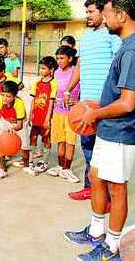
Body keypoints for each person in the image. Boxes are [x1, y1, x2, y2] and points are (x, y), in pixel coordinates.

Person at [64, 0, 135, 261]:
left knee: (117, 187)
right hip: (109, 127)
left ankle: (111, 248)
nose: (104, 17)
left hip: (122, 130)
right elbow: (117, 93)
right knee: (96, 177)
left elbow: (127, 103)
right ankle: (96, 231)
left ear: (121, 15)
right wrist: (95, 104)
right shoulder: (127, 44)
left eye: (107, 12)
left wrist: (95, 113)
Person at [64, 0, 122, 201]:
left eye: (91, 12)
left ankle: (107, 195)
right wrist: (69, 89)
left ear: (102, 13)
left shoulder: (112, 36)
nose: (87, 16)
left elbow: (119, 66)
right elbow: (79, 67)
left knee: (105, 152)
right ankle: (90, 188)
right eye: (86, 12)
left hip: (105, 105)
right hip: (84, 103)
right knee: (87, 147)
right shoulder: (85, 37)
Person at [47, 46, 80, 182]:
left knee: (70, 142)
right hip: (57, 113)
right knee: (60, 140)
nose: (59, 61)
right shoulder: (56, 73)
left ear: (70, 58)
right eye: (57, 58)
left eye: (62, 58)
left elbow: (83, 91)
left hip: (71, 114)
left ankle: (67, 169)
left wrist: (79, 102)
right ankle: (61, 167)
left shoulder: (76, 72)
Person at [21, 56, 58, 176]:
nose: (41, 71)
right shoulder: (37, 82)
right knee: (33, 137)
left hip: (45, 117)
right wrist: (30, 115)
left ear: (51, 69)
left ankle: (44, 161)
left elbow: (51, 102)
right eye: (40, 68)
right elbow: (33, 100)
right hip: (36, 116)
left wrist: (48, 118)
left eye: (43, 68)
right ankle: (31, 160)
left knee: (46, 139)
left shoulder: (53, 83)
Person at [0, 80, 26, 179]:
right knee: (1, 145)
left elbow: (20, 125)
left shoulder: (19, 104)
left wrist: (12, 128)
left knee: (24, 146)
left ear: (14, 97)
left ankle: (28, 163)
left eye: (8, 96)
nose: (5, 98)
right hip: (4, 120)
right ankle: (2, 169)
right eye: (3, 95)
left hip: (17, 122)